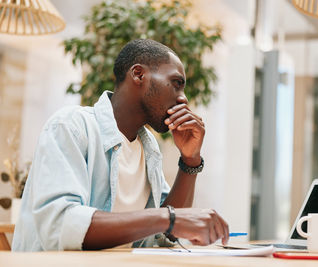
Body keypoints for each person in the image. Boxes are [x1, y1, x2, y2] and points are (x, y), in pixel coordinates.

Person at [12, 39, 229, 251]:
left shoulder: (149, 147)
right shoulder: (71, 126)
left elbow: (166, 234)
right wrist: (168, 218)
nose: (183, 99)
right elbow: (60, 226)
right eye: (176, 83)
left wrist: (190, 160)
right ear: (138, 74)